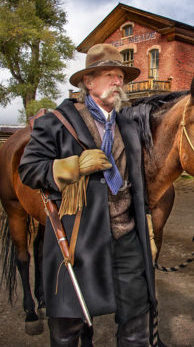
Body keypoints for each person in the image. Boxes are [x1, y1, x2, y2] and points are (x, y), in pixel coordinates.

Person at [19, 44, 159, 347]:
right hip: (78, 240)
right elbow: (29, 169)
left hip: (126, 237)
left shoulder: (128, 125)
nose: (118, 81)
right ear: (88, 82)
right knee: (69, 330)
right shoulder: (57, 122)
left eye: (121, 76)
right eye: (110, 74)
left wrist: (144, 223)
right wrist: (73, 166)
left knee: (137, 324)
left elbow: (137, 181)